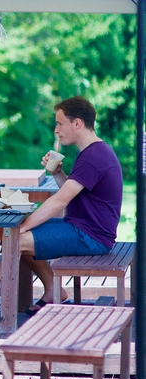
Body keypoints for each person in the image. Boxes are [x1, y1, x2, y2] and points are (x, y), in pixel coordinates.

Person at [21, 96, 122, 315]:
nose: (56, 130)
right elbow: (72, 192)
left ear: (77, 123)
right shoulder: (93, 152)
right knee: (15, 239)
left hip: (91, 237)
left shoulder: (93, 156)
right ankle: (52, 290)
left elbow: (60, 201)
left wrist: (21, 228)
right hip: (81, 228)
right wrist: (57, 172)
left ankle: (13, 315)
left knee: (16, 241)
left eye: (59, 123)